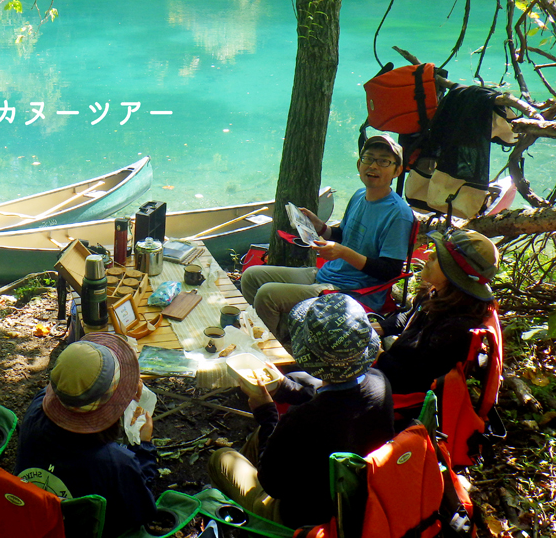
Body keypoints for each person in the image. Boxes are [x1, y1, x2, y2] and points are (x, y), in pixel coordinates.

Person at [207, 294, 394, 529]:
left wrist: (268, 415)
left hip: (302, 519)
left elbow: (271, 484)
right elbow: (337, 400)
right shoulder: (380, 383)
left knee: (221, 459)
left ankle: (241, 519)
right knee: (258, 439)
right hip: (351, 500)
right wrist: (286, 388)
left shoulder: (302, 420)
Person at [241, 134, 415, 342]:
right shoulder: (360, 195)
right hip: (327, 274)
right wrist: (320, 227)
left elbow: (390, 271)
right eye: (368, 158)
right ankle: (286, 335)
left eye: (383, 161)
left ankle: (281, 350)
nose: (373, 166)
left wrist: (344, 253)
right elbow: (343, 235)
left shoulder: (399, 214)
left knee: (267, 294)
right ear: (359, 164)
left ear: (397, 170)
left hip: (354, 290)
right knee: (252, 276)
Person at [14, 332, 157, 538]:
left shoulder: (35, 410)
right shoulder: (115, 463)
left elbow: (66, 387)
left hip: (31, 521)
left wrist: (120, 392)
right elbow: (142, 511)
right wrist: (143, 446)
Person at [375, 228, 499, 396]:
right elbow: (410, 317)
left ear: (456, 275)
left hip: (402, 391)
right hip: (392, 367)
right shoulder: (437, 294)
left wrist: (375, 352)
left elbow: (413, 380)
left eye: (440, 258)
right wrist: (377, 327)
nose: (430, 256)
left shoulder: (457, 327)